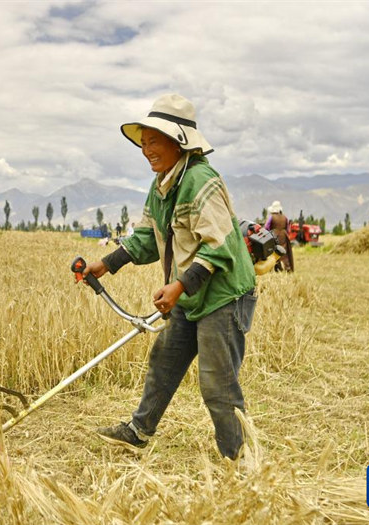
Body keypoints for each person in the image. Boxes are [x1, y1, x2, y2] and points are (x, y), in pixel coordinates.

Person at [81, 93, 257, 460]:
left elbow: (220, 246)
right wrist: (108, 263)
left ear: (179, 141)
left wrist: (178, 285)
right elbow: (148, 236)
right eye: (143, 143)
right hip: (191, 294)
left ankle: (238, 457)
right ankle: (138, 430)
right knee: (163, 361)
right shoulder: (162, 184)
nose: (146, 150)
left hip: (222, 296)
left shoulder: (200, 180)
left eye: (153, 141)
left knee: (216, 383)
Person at [264, 201, 293, 272]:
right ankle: (288, 268)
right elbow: (288, 228)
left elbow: (266, 227)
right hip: (284, 235)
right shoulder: (285, 217)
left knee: (275, 252)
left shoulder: (271, 217)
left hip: (274, 235)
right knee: (284, 252)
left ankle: (277, 267)